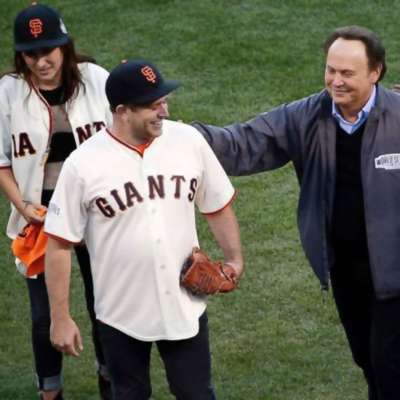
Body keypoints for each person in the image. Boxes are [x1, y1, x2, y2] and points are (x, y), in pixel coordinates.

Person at [193, 26, 400, 400]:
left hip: (397, 273)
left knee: (390, 367)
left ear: (376, 72)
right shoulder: (307, 116)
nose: (335, 81)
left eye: (347, 73)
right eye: (330, 70)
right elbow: (243, 143)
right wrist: (181, 135)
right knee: (368, 360)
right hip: (346, 269)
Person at [44, 59, 244, 400]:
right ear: (122, 111)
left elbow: (217, 204)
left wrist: (235, 260)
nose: (163, 111)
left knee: (197, 394)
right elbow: (59, 244)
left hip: (183, 303)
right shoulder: (83, 164)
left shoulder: (188, 141)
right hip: (120, 312)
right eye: (153, 105)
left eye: (163, 101)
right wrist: (60, 318)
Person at [0, 3, 112, 400]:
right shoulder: (8, 92)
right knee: (44, 313)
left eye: (49, 50)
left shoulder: (97, 79)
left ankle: (110, 379)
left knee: (106, 304)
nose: (41, 60)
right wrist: (24, 208)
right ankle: (51, 392)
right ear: (20, 55)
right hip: (41, 215)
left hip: (98, 211)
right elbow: (2, 165)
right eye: (31, 53)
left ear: (65, 46)